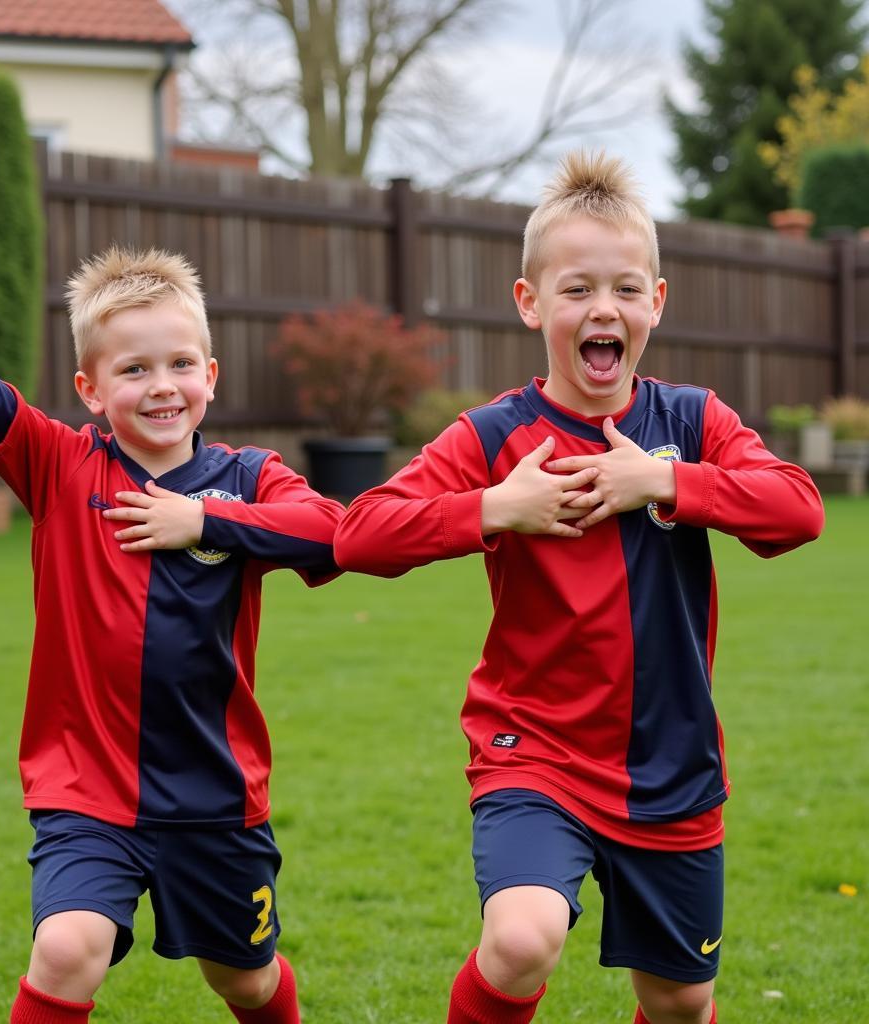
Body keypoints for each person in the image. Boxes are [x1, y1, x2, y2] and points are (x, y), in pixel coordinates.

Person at [333, 151, 824, 1024]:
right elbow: (360, 531)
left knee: (680, 1002)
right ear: (531, 304)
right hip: (536, 753)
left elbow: (798, 510)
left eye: (627, 289)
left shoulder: (693, 423)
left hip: (671, 765)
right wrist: (493, 506)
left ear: (656, 304)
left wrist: (668, 485)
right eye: (577, 289)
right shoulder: (495, 435)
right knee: (521, 941)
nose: (605, 308)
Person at [0, 235, 345, 1024]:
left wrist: (207, 521)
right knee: (66, 951)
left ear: (210, 375)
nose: (161, 387)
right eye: (133, 370)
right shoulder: (59, 466)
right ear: (91, 390)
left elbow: (331, 533)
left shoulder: (249, 479)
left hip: (216, 798)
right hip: (85, 789)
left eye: (178, 365)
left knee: (247, 982)